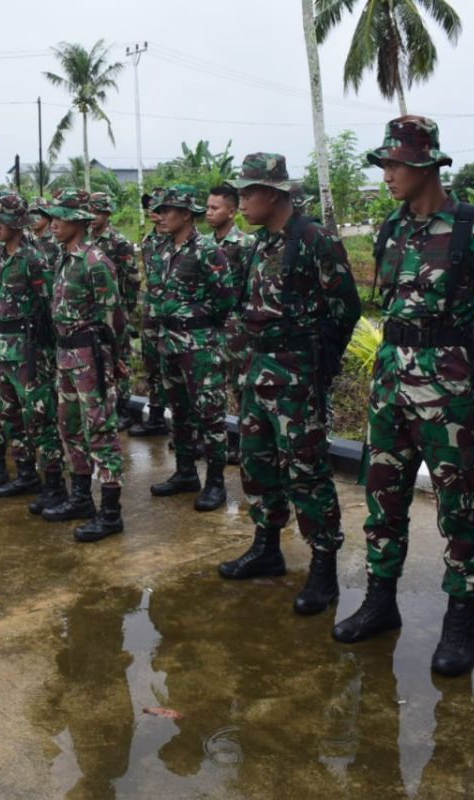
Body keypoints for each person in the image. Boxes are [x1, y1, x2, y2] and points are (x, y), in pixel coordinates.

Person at [332, 117, 474, 679]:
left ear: (427, 167)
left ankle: (460, 620)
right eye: (384, 164)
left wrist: (460, 364)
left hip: (448, 394)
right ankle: (381, 602)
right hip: (390, 386)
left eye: (396, 165)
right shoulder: (391, 229)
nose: (387, 175)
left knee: (458, 507)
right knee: (383, 500)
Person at [217, 154, 361, 616]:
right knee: (256, 463)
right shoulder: (260, 245)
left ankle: (323, 567)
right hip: (258, 372)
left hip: (297, 375)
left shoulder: (315, 239)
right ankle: (267, 546)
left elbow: (346, 308)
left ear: (274, 194)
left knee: (307, 470)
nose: (240, 202)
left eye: (247, 193)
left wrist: (319, 365)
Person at [40, 190, 128, 542]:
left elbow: (114, 319)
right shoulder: (65, 259)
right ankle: (80, 498)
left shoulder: (95, 262)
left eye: (60, 218)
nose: (53, 224)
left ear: (79, 221)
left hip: (91, 358)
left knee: (101, 432)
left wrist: (117, 360)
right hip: (66, 357)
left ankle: (110, 513)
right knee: (69, 427)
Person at [146, 185, 235, 512]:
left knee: (209, 414)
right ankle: (185, 472)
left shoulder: (207, 250)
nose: (162, 215)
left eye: (168, 210)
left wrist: (194, 320)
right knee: (179, 411)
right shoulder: (162, 250)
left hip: (199, 346)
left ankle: (215, 482)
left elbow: (225, 299)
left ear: (186, 214)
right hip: (168, 343)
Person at [0, 192, 64, 502]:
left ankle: (55, 484)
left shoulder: (33, 258)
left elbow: (48, 306)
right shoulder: (1, 256)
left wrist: (46, 351)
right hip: (5, 348)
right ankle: (26, 473)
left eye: (1, 220)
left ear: (17, 223)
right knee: (10, 415)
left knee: (39, 418)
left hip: (30, 350)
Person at [205, 185, 254, 464]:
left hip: (237, 327)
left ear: (232, 212)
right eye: (208, 207)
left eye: (215, 208)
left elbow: (250, 287)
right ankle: (220, 442)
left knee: (241, 386)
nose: (209, 213)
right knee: (212, 387)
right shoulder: (205, 245)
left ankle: (244, 444)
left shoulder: (245, 245)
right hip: (211, 325)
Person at [88, 192, 141, 430]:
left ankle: (123, 408)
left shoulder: (119, 242)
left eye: (97, 211)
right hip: (92, 312)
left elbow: (132, 279)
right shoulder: (85, 240)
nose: (92, 216)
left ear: (107, 214)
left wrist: (125, 311)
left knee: (120, 359)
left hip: (115, 309)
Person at [130, 191, 172, 438]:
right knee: (151, 366)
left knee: (176, 371)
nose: (155, 213)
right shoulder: (148, 241)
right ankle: (155, 416)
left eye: (160, 208)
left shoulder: (179, 241)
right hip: (152, 313)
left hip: (176, 316)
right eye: (151, 208)